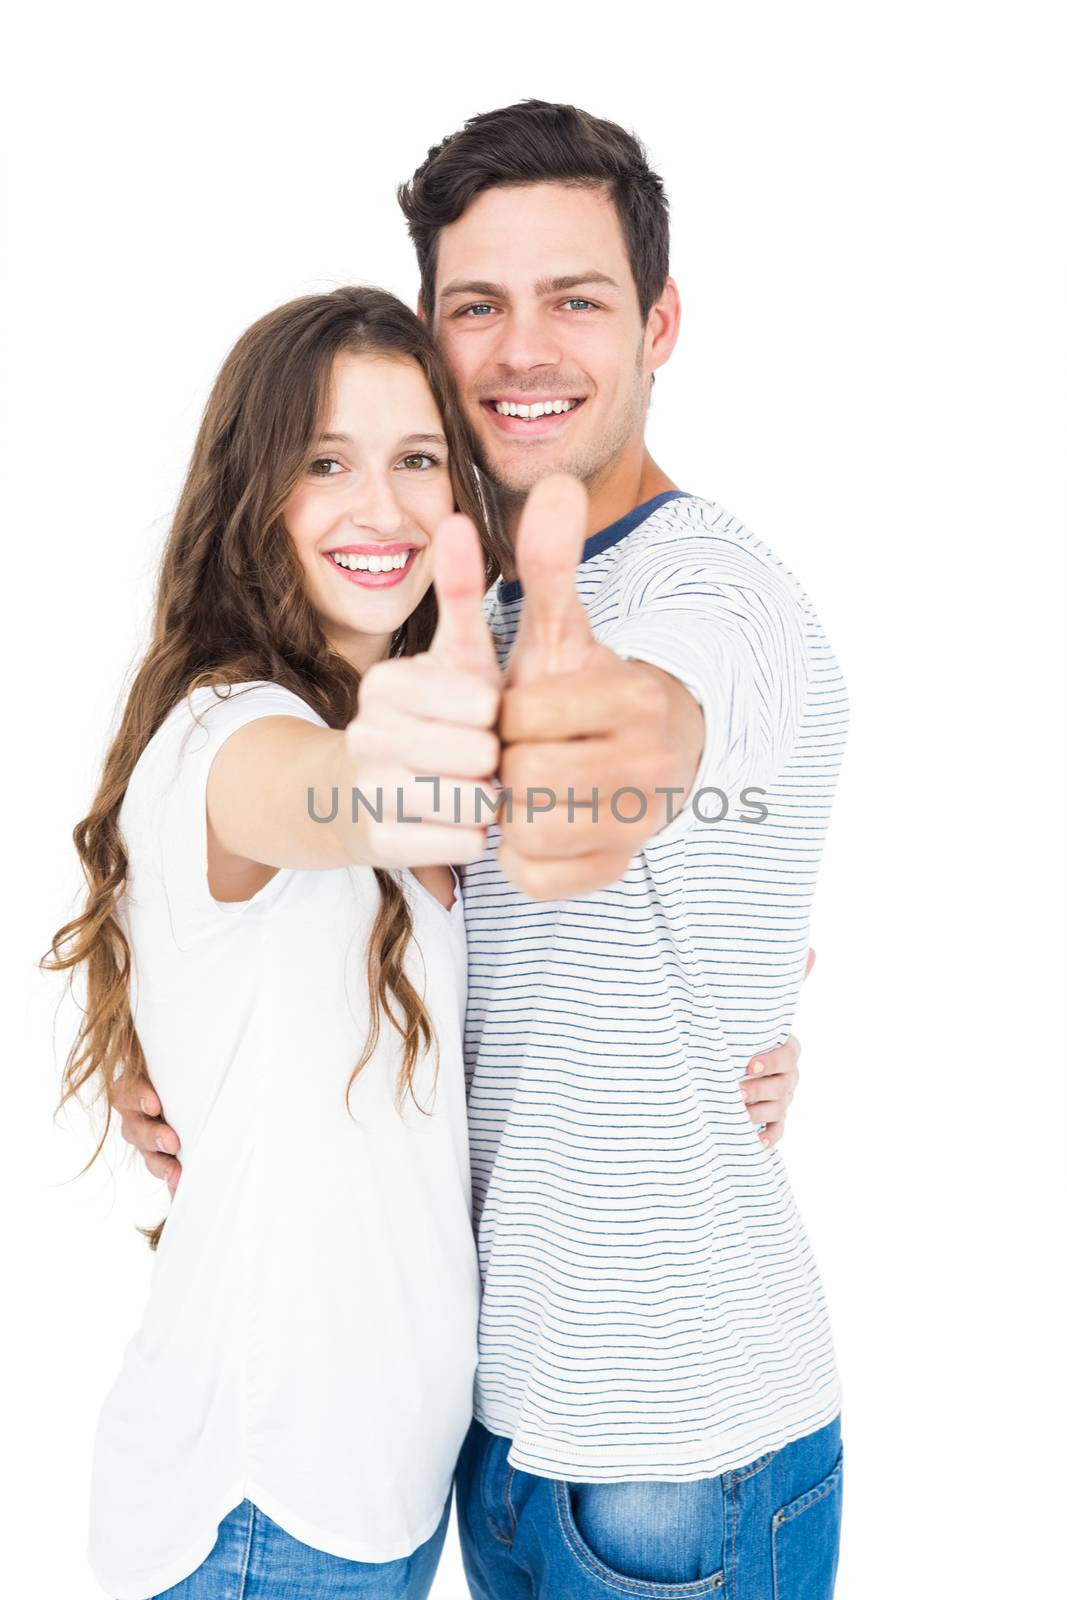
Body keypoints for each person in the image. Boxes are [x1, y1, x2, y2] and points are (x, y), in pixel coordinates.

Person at [113, 99, 843, 1597]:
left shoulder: (725, 594)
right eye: (477, 307)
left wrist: (629, 783)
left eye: (576, 300)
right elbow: (308, 806)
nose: (524, 351)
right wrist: (166, 1044)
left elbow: (662, 724)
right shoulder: (437, 615)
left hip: (667, 1449)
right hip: (476, 1439)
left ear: (662, 323)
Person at [44, 285, 516, 1599]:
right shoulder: (229, 740)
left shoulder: (392, 736)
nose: (384, 508)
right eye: (326, 463)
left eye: (419, 459)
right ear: (254, 495)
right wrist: (393, 772)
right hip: (263, 1513)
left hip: (389, 1497)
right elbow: (329, 795)